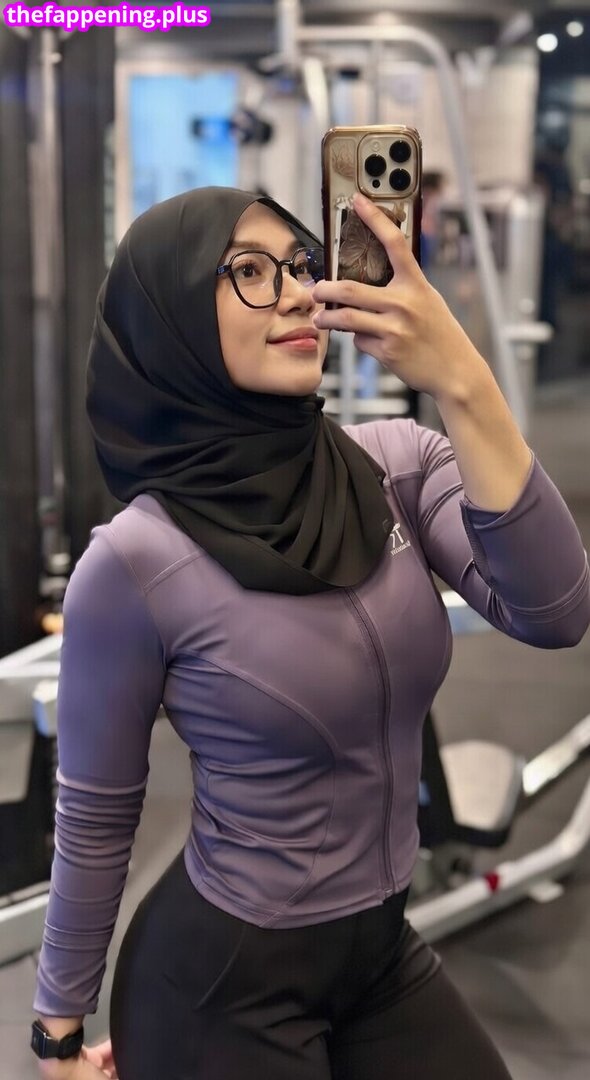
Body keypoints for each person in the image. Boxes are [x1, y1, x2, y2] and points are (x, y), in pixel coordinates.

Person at [31, 186, 590, 1080]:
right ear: (174, 318)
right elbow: (96, 820)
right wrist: (56, 1032)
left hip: (379, 954)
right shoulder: (134, 562)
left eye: (299, 264)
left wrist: (464, 379)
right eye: (249, 272)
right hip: (221, 987)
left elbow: (555, 610)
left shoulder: (397, 465)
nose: (296, 291)